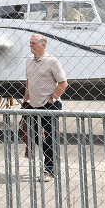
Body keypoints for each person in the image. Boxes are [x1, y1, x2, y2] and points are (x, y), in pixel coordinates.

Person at [23, 34, 68, 181]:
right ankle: (51, 157)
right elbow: (29, 81)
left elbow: (63, 83)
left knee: (49, 138)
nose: (31, 45)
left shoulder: (52, 61)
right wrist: (26, 100)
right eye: (30, 43)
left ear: (43, 45)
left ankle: (49, 170)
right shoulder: (29, 61)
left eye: (33, 43)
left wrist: (53, 98)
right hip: (33, 105)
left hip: (50, 106)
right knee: (34, 135)